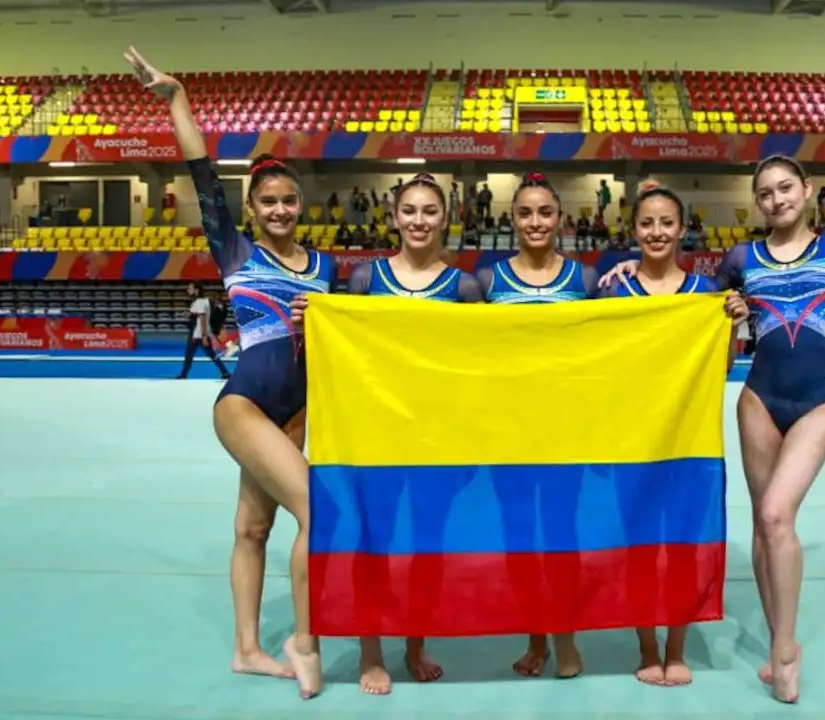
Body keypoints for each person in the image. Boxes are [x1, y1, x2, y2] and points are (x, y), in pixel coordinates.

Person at [597, 22, 825, 703]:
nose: (777, 199)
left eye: (787, 189)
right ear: (756, 204)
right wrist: (625, 271)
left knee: (780, 517)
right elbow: (683, 295)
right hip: (757, 398)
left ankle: (785, 650)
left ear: (808, 190)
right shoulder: (740, 260)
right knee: (761, 521)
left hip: (818, 400)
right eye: (766, 194)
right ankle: (777, 642)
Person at [125, 46, 333, 700]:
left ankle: (246, 649)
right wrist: (177, 99)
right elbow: (202, 176)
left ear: (300, 204)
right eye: (267, 201)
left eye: (287, 200)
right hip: (244, 405)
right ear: (251, 209)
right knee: (315, 510)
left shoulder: (325, 269)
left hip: (296, 413)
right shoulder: (237, 252)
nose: (278, 210)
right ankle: (306, 643)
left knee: (253, 527)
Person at [292, 173, 481, 696]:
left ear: (446, 219)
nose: (419, 221)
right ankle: (371, 651)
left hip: (436, 441)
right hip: (373, 438)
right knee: (370, 542)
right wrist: (314, 317)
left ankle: (415, 644)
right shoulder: (364, 280)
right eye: (410, 211)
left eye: (430, 211)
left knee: (426, 546)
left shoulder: (464, 288)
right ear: (395, 217)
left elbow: (485, 364)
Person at [599, 182, 749, 686]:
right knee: (639, 545)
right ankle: (646, 646)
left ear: (682, 229)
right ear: (633, 230)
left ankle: (678, 646)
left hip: (688, 440)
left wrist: (732, 327)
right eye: (647, 223)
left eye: (667, 223)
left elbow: (720, 367)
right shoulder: (614, 288)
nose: (657, 232)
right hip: (630, 441)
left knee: (684, 543)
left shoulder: (706, 295)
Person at [477, 172, 598, 680]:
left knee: (562, 536)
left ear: (560, 219)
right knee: (522, 539)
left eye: (544, 212)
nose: (535, 222)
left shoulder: (586, 281)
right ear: (512, 220)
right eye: (525, 213)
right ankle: (535, 638)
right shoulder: (487, 282)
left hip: (565, 433)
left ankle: (566, 638)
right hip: (510, 435)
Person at [178, 282, 231, 380]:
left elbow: (202, 318)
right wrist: (190, 314)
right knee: (207, 354)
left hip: (199, 334)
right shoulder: (201, 301)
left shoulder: (200, 302)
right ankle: (225, 372)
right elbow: (200, 316)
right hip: (199, 333)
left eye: (190, 288)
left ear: (196, 290)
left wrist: (203, 336)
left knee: (190, 354)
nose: (188, 290)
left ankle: (183, 375)